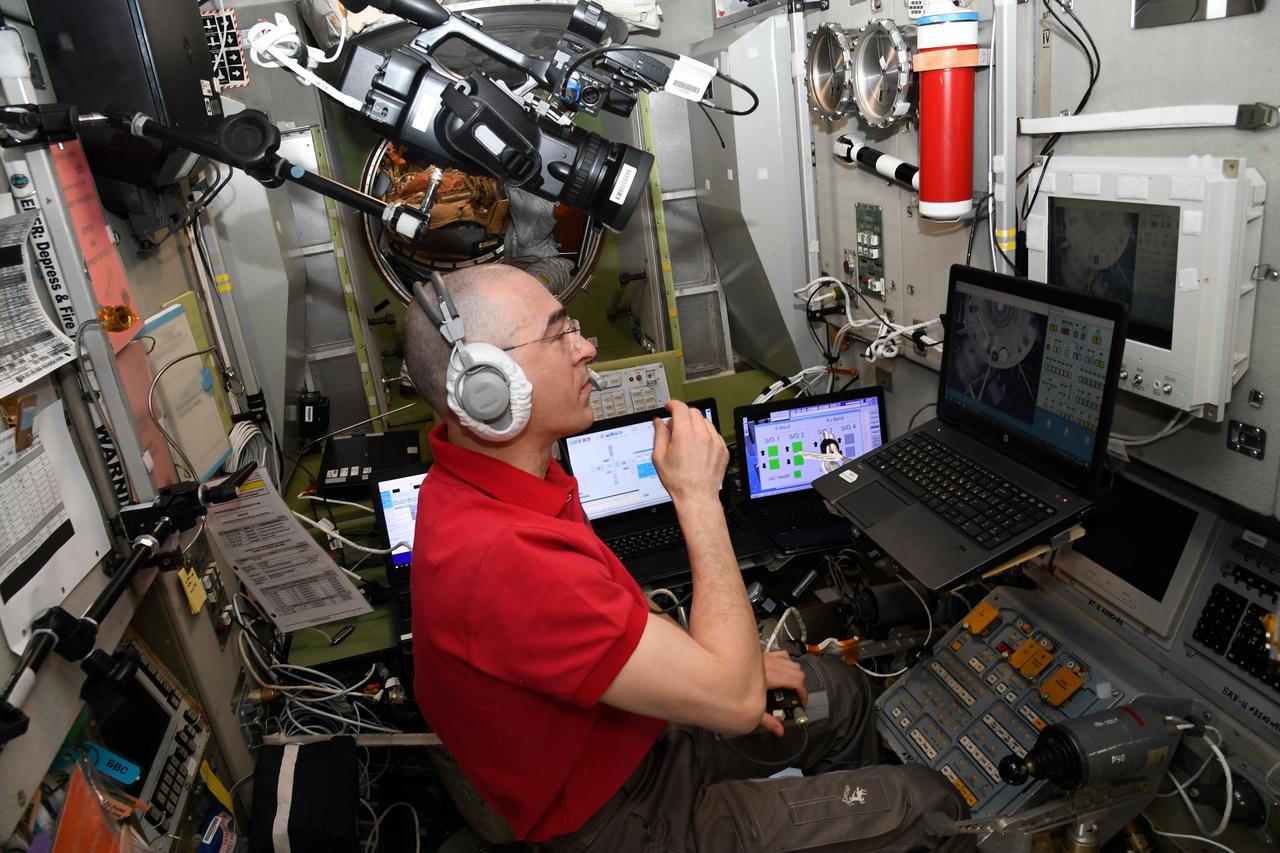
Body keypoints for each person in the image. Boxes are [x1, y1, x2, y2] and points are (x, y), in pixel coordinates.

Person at [404, 264, 973, 851]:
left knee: (843, 693)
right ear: (486, 385)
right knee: (930, 806)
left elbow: (615, 619)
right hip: (622, 823)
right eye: (558, 333)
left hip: (631, 742)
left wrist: (721, 675)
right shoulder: (508, 558)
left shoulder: (491, 480)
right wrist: (698, 498)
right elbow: (735, 702)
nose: (587, 346)